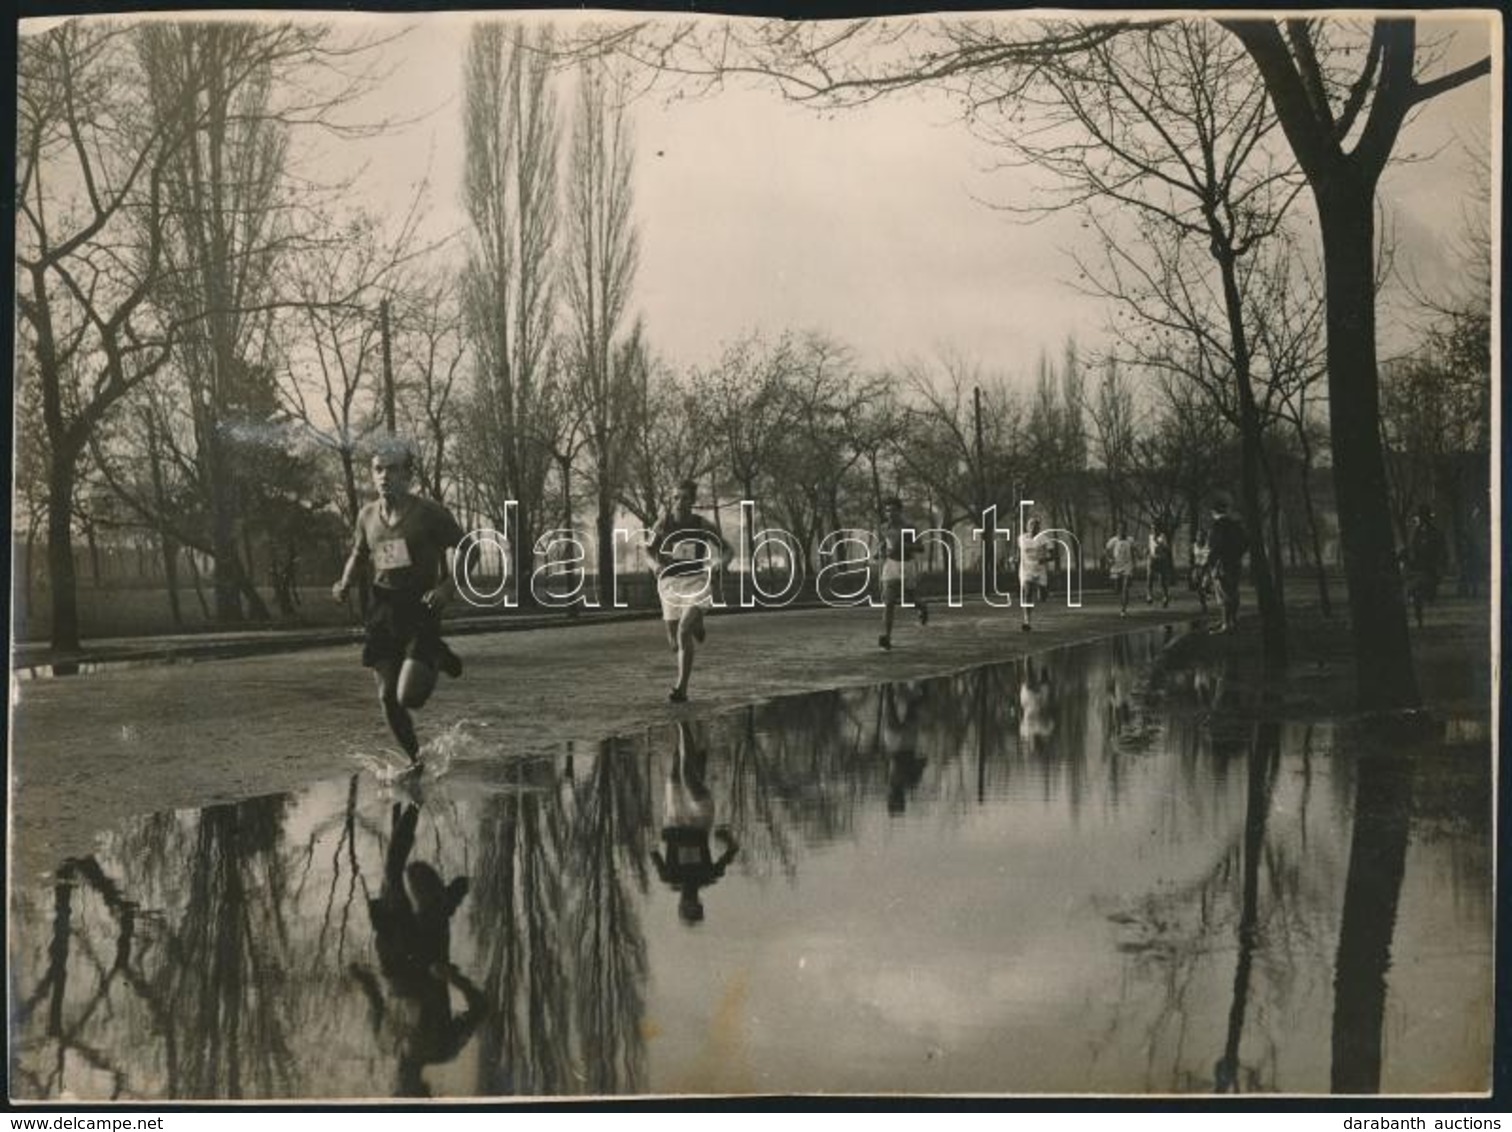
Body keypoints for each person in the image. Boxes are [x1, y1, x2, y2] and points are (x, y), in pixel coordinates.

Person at [333, 439, 464, 765]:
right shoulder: (367, 516)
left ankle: (436, 653)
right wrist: (345, 582)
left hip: (420, 608)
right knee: (386, 698)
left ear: (408, 474)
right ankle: (415, 761)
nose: (384, 476)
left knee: (409, 697)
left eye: (392, 469)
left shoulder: (429, 514)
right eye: (378, 469)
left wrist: (447, 588)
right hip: (383, 610)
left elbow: (469, 549)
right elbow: (359, 553)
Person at [349, 802, 485, 1097]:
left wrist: (362, 978)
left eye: (397, 1091)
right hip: (427, 959)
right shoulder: (442, 1048)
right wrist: (453, 978)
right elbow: (479, 1008)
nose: (400, 1083)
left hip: (395, 954)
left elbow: (376, 1000)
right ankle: (444, 903)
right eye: (407, 1091)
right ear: (422, 1090)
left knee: (393, 873)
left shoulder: (386, 1043)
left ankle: (412, 799)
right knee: (423, 899)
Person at [649, 479, 732, 704]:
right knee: (674, 643)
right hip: (670, 584)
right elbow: (648, 551)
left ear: (692, 501)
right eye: (676, 497)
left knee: (683, 632)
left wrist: (719, 565)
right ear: (671, 499)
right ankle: (698, 622)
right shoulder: (663, 523)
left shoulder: (701, 524)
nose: (679, 502)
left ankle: (681, 689)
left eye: (685, 498)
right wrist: (655, 565)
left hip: (696, 582)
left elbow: (728, 550)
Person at [651, 721, 739, 924]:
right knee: (687, 775)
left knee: (676, 772)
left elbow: (651, 850)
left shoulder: (669, 877)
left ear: (680, 905)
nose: (690, 900)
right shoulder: (707, 876)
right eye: (695, 904)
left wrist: (651, 836)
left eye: (686, 905)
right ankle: (682, 722)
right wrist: (725, 837)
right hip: (700, 820)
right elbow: (733, 850)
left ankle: (690, 737)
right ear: (700, 902)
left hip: (674, 817)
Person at [874, 494, 929, 650]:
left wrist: (908, 546)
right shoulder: (884, 527)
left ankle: (922, 607)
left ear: (900, 511)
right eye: (887, 511)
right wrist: (879, 552)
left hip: (907, 565)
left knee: (909, 600)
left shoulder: (909, 528)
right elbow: (885, 543)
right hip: (891, 565)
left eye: (893, 510)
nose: (889, 514)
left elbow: (920, 547)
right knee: (889, 602)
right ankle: (887, 637)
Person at [879, 680, 927, 814]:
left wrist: (920, 761)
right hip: (893, 743)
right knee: (890, 704)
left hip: (907, 743)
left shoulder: (911, 783)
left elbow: (923, 761)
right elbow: (885, 761)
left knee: (913, 705)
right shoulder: (888, 783)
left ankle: (917, 684)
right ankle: (890, 681)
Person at [1207, 499, 1250, 635]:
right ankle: (1233, 621)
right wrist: (1236, 555)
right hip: (1235, 562)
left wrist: (1210, 562)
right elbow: (1245, 542)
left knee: (1223, 593)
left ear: (1214, 512)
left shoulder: (1217, 526)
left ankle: (1226, 624)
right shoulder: (1236, 525)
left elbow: (1214, 547)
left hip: (1221, 564)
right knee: (1233, 591)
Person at [1404, 506, 1447, 628]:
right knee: (1415, 592)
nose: (1423, 520)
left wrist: (1439, 567)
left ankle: (1423, 608)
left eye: (1425, 517)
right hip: (1418, 568)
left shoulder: (1436, 534)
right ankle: (1419, 617)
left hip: (1430, 568)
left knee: (1424, 592)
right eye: (1422, 518)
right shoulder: (1416, 533)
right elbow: (1412, 549)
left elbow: (1441, 552)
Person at [1017, 516, 1051, 632]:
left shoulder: (1043, 539)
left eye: (1035, 526)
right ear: (1027, 526)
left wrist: (1045, 559)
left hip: (1040, 570)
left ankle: (1043, 590)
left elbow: (1053, 555)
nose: (1033, 528)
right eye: (1031, 525)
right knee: (1027, 593)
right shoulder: (1022, 539)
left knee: (1042, 597)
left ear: (1039, 528)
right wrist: (1014, 559)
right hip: (1026, 570)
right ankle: (1027, 621)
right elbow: (1019, 553)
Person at [1105, 527, 1136, 616]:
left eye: (1123, 529)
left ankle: (1123, 609)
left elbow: (1134, 550)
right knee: (1117, 588)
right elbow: (1106, 550)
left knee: (1125, 588)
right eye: (1119, 530)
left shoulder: (1130, 540)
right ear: (1118, 531)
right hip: (1116, 566)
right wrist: (1109, 559)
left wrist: (1138, 557)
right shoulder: (1113, 540)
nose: (1121, 531)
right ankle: (1123, 598)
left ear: (1125, 530)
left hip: (1127, 566)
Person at [1145, 525, 1175, 607]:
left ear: (1158, 530)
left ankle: (1165, 596)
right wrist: (1147, 551)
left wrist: (1159, 543)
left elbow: (1167, 548)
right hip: (1152, 559)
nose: (1153, 531)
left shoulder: (1162, 536)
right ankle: (1149, 595)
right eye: (1152, 529)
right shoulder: (1150, 537)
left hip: (1161, 559)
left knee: (1162, 580)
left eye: (1154, 529)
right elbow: (1150, 547)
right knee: (1149, 576)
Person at [1189, 527, 1212, 612]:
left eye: (1201, 535)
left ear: (1204, 536)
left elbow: (1211, 555)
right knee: (1199, 589)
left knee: (1204, 585)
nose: (1199, 537)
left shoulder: (1208, 545)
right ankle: (1204, 605)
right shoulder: (1194, 545)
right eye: (1198, 536)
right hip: (1197, 568)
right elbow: (1192, 558)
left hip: (1206, 568)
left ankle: (1208, 591)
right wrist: (1192, 570)